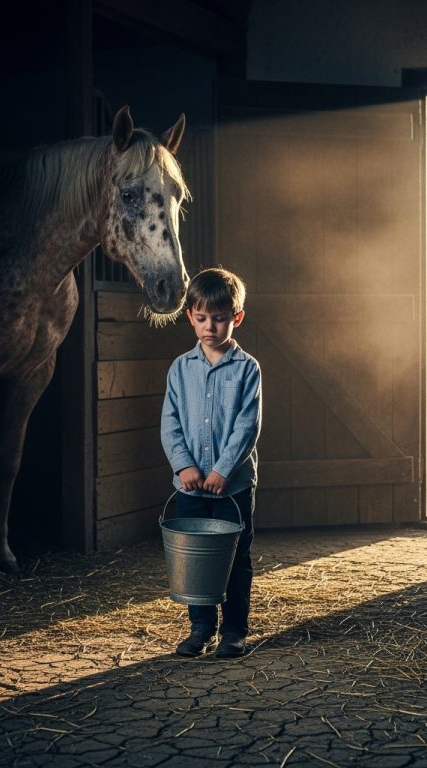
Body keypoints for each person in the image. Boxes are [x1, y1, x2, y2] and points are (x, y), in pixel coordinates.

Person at [160, 267, 262, 659]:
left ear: (236, 318)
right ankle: (201, 628)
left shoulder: (247, 369)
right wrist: (185, 466)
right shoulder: (180, 369)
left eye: (219, 319)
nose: (210, 327)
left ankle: (234, 631)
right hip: (188, 486)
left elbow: (247, 425)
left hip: (232, 486)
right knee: (192, 556)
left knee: (236, 557)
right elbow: (170, 423)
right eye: (201, 318)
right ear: (190, 317)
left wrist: (222, 470)